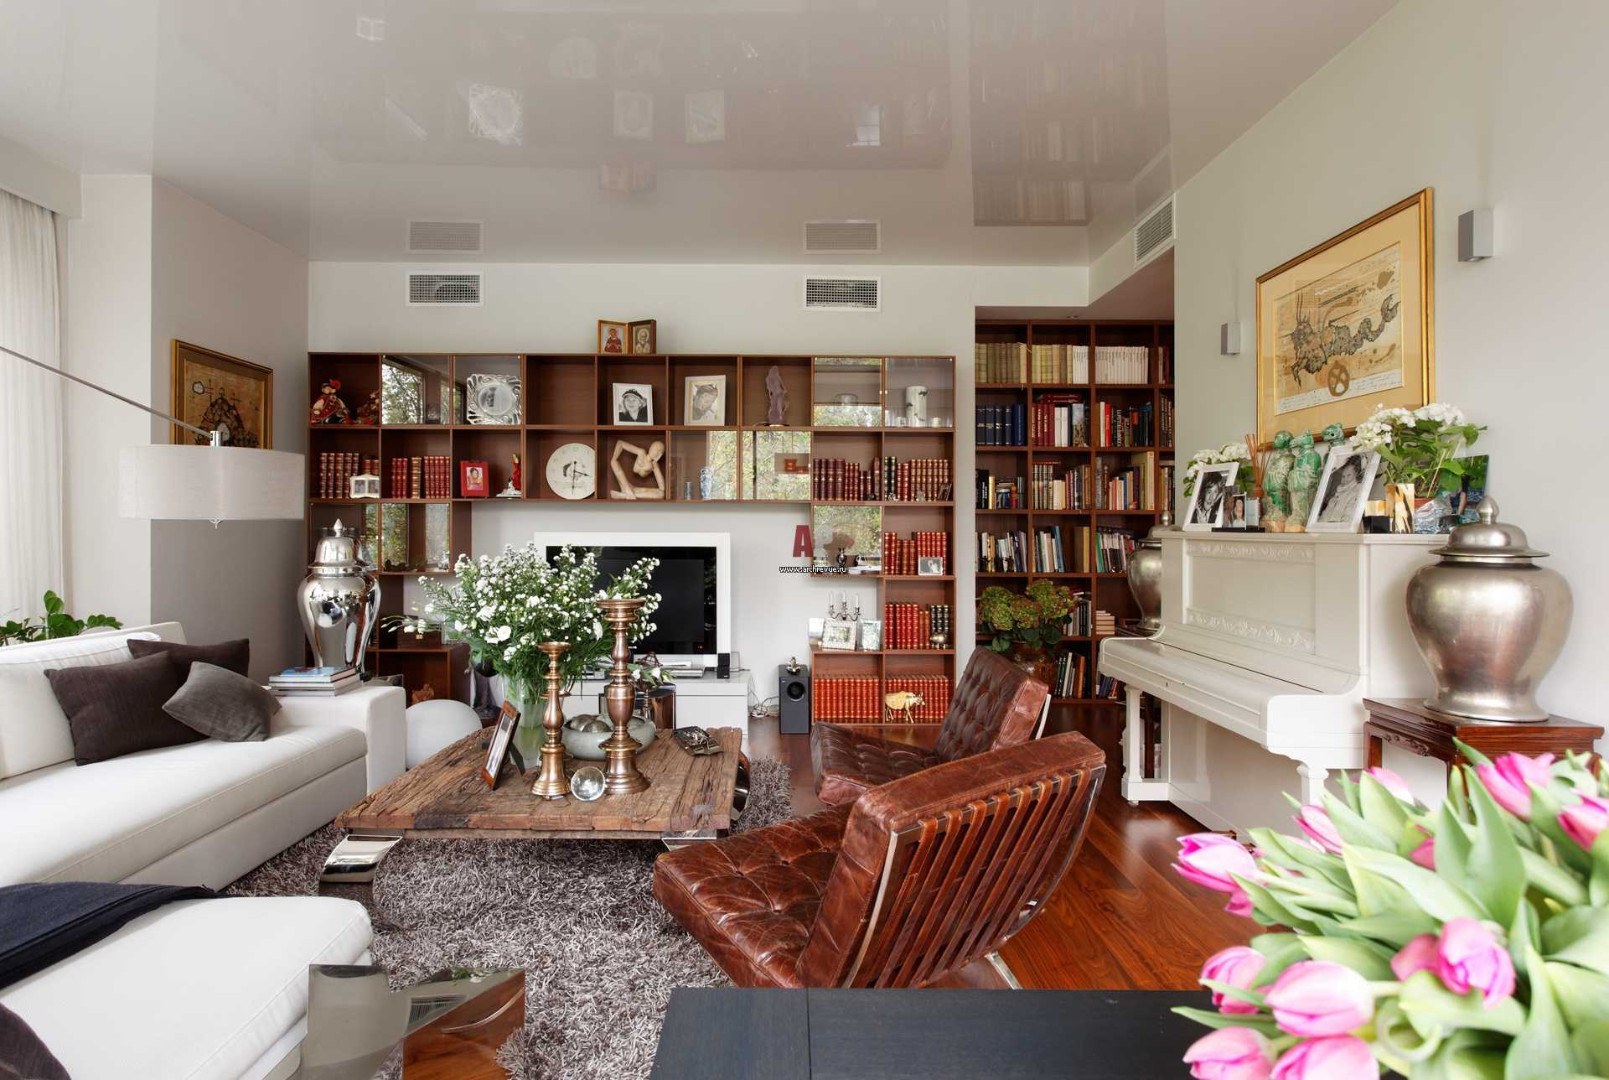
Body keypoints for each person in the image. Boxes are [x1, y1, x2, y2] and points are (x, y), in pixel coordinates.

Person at [1317, 454, 1368, 524]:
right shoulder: (1339, 492)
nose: (1345, 479)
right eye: (1343, 476)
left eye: (1349, 475)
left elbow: (1347, 519)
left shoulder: (1355, 493)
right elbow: (1324, 517)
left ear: (1356, 474)